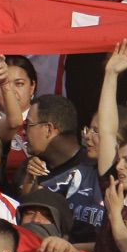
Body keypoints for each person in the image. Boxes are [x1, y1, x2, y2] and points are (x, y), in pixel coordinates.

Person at [24, 95, 105, 243]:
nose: (24, 132)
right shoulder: (32, 168)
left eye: (28, 125)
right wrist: (29, 181)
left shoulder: (97, 168)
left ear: (48, 130)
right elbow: (26, 221)